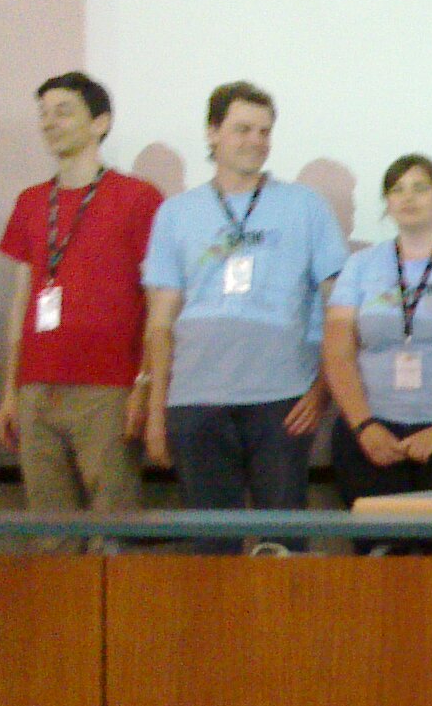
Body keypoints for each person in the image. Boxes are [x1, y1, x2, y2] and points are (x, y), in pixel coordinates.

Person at [142, 82, 347, 522]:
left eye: (264, 131)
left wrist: (323, 389)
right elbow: (160, 323)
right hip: (195, 400)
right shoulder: (175, 213)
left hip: (283, 399)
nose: (256, 141)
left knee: (281, 537)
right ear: (212, 132)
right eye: (243, 129)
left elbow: (340, 310)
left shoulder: (306, 206)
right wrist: (157, 409)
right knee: (212, 542)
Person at [0, 71, 163, 528]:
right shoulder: (31, 201)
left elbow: (158, 303)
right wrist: (10, 390)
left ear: (100, 123)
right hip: (36, 388)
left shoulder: (138, 197)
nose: (49, 122)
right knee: (50, 531)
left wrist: (145, 385)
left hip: (108, 387)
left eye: (63, 111)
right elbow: (22, 301)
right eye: (44, 113)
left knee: (114, 529)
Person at [321, 155, 432, 507]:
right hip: (372, 436)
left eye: (420, 188)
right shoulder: (360, 265)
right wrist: (364, 426)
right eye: (397, 189)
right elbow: (337, 352)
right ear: (387, 203)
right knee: (380, 542)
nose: (408, 197)